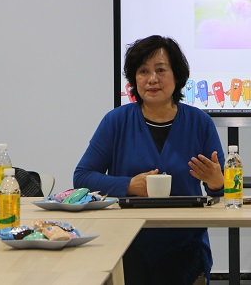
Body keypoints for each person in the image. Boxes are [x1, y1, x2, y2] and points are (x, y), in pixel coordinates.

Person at [74, 35, 225, 285]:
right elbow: (82, 177)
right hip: (126, 242)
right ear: (134, 79)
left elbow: (225, 188)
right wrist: (128, 185)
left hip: (185, 244)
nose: (152, 79)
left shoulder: (200, 122)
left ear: (177, 76)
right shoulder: (116, 121)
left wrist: (217, 182)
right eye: (143, 71)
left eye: (161, 70)